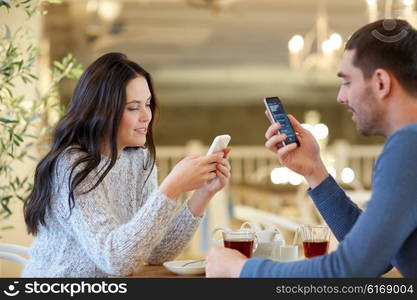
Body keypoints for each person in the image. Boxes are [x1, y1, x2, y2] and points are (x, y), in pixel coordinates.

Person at [206, 19, 417, 277]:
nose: (341, 96)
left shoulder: (408, 145)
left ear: (381, 82)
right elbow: (377, 259)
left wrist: (240, 269)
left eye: (347, 82)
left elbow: (349, 269)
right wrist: (314, 170)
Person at [22, 52, 231, 277]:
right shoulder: (73, 167)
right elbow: (115, 261)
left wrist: (202, 194)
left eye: (148, 104)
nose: (146, 116)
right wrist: (172, 187)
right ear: (101, 111)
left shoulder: (139, 161)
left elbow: (159, 251)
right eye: (133, 107)